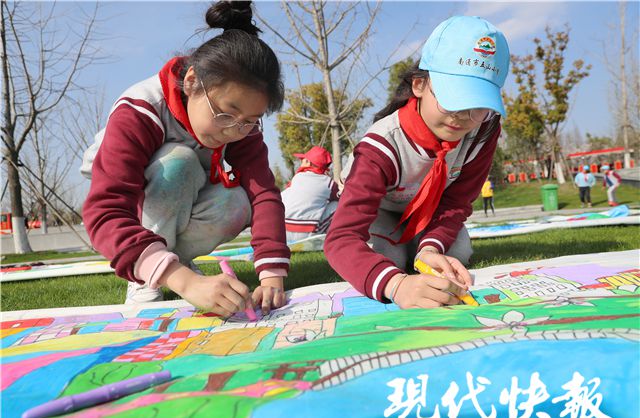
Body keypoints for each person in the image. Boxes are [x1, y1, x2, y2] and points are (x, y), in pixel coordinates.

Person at [81, 1, 289, 315]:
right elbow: (106, 210)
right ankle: (148, 277)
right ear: (191, 81)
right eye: (225, 114)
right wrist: (186, 283)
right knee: (179, 162)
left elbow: (263, 195)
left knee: (237, 203)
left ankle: (169, 261)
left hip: (184, 193)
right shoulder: (139, 111)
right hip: (136, 195)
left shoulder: (241, 127)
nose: (234, 131)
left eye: (249, 121)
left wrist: (272, 275)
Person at [325, 16, 510, 309]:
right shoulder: (381, 145)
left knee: (457, 252)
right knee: (390, 257)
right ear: (419, 85)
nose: (462, 117)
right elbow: (342, 238)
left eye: (477, 106)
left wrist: (429, 249)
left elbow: (456, 202)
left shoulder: (483, 130)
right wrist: (397, 285)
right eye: (452, 99)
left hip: (429, 212)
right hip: (381, 212)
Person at [281, 146, 340, 242]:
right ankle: (332, 238)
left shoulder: (297, 177)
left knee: (286, 194)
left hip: (283, 231)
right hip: (307, 234)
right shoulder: (328, 182)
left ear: (308, 162)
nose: (300, 162)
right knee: (338, 205)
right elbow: (342, 197)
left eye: (302, 160)